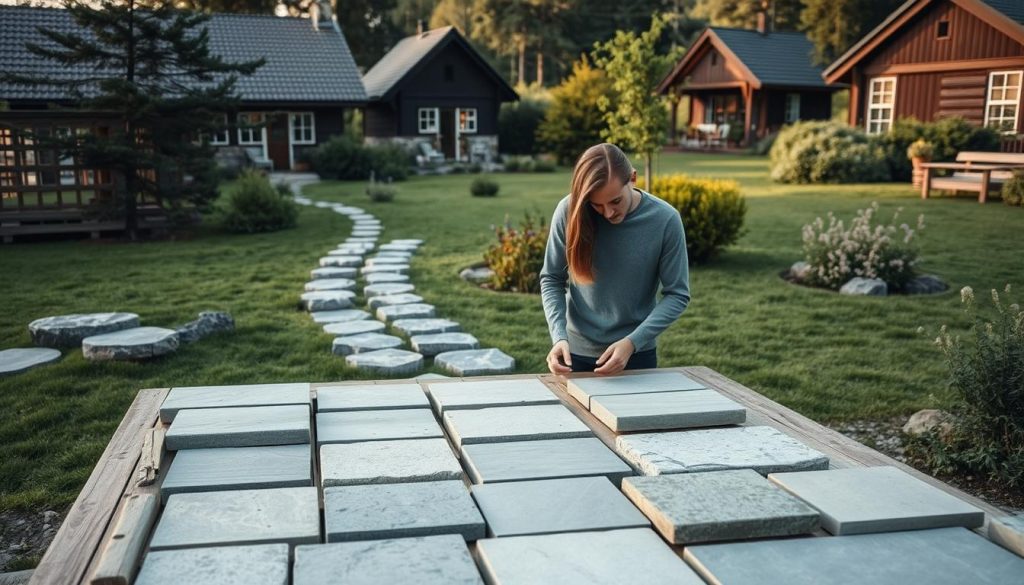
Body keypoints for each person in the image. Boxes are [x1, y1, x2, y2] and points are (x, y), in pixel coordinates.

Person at [539, 143, 690, 376]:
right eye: (597, 205)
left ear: (633, 179)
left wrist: (632, 342)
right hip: (574, 355)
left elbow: (678, 294)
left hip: (636, 354)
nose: (608, 213)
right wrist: (558, 336)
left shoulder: (665, 220)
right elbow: (551, 278)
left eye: (615, 201)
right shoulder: (569, 212)